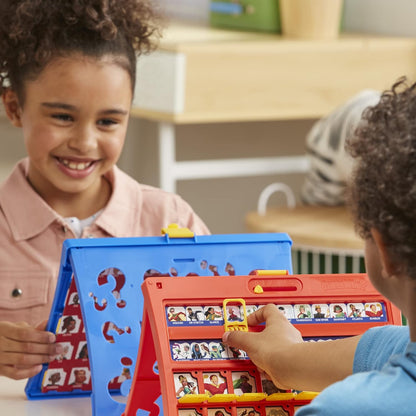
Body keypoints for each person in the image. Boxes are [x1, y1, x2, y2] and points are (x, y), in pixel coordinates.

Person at [0, 0, 209, 380]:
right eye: (63, 117)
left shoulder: (172, 221)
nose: (85, 142)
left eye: (109, 121)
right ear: (14, 107)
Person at [222, 78, 416, 415]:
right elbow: (379, 347)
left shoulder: (340, 410)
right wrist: (283, 359)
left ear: (384, 250)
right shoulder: (397, 344)